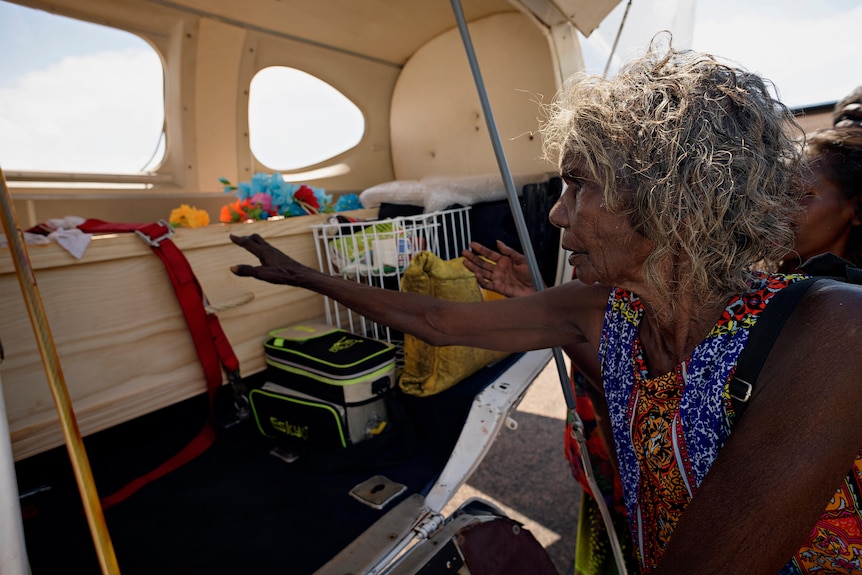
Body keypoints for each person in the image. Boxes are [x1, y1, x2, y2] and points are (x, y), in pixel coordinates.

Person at [230, 36, 862, 574]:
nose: (557, 213)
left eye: (577, 182)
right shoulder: (600, 311)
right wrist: (306, 277)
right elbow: (436, 321)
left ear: (674, 195)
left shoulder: (834, 327)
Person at [463, 239, 634, 575]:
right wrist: (549, 304)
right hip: (608, 454)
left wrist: (554, 313)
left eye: (582, 189)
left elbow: (623, 383)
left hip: (653, 476)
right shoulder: (604, 250)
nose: (559, 214)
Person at [780, 126, 862, 272]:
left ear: (857, 210)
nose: (775, 206)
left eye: (799, 194)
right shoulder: (748, 288)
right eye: (770, 193)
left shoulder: (852, 293)